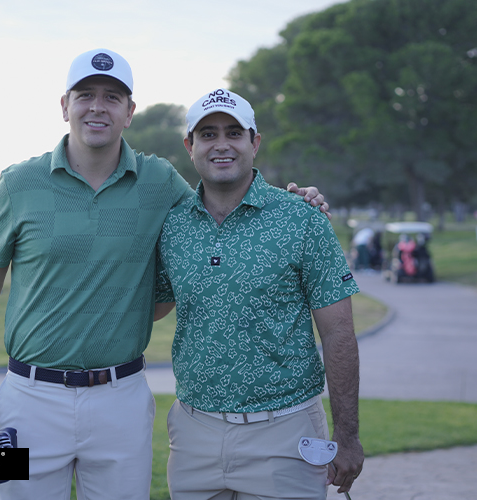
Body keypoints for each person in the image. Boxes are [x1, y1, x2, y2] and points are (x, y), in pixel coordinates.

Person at [0, 48, 328, 500]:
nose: (98, 107)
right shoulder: (19, 183)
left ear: (129, 112)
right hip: (31, 396)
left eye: (112, 97)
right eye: (85, 95)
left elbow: (220, 206)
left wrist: (292, 203)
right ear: (64, 106)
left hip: (121, 397)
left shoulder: (160, 180)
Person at [155, 89, 364, 499]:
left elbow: (338, 333)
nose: (221, 145)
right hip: (193, 434)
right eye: (208, 134)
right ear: (190, 147)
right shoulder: (173, 226)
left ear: (255, 143)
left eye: (234, 133)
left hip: (285, 433)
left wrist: (348, 435)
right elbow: (153, 307)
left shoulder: (303, 219)